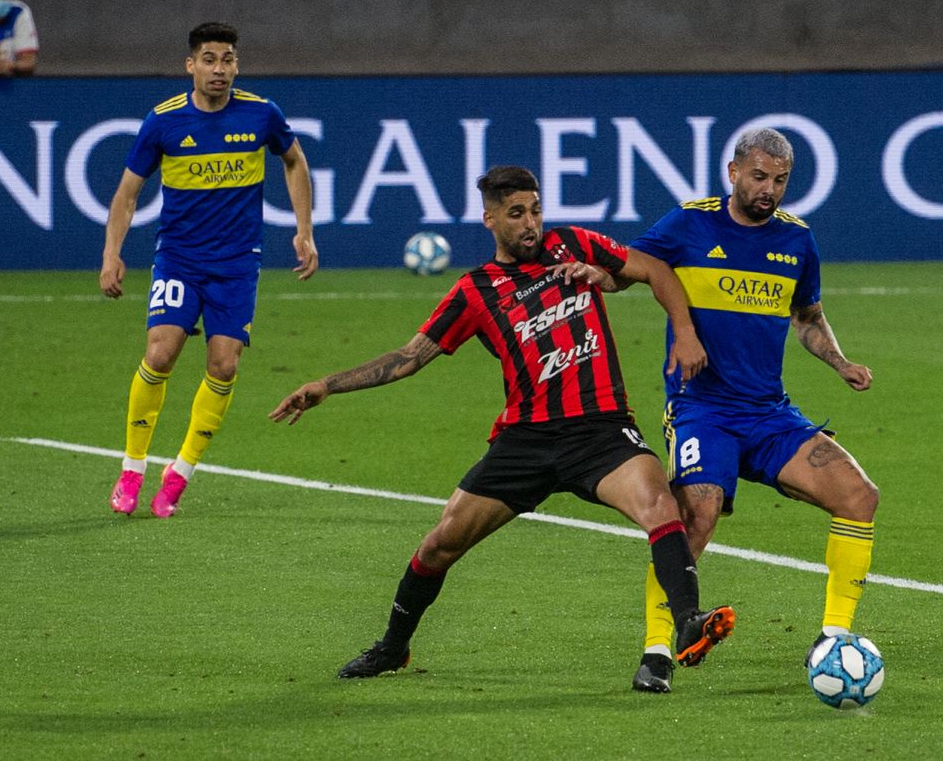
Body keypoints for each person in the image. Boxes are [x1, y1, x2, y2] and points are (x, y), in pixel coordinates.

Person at [269, 165, 735, 682]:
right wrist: (326, 386)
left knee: (660, 506)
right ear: (489, 218)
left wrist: (680, 327)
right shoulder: (475, 292)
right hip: (526, 441)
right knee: (439, 544)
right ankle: (392, 647)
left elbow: (654, 270)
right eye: (517, 214)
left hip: (600, 430)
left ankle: (688, 620)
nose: (531, 223)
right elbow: (409, 357)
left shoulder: (573, 244)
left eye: (536, 210)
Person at [623, 127, 879, 693]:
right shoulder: (690, 223)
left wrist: (838, 362)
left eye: (781, 180)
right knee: (695, 518)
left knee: (859, 496)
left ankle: (834, 637)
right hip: (702, 409)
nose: (769, 190)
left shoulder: (796, 240)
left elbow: (807, 317)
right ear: (734, 171)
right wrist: (597, 275)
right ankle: (659, 649)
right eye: (759, 177)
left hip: (768, 414)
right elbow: (631, 266)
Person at [100, 21, 318, 518]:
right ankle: (132, 468)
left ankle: (179, 473)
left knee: (224, 365)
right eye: (210, 59)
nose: (219, 69)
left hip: (238, 264)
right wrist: (112, 253)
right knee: (160, 353)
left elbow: (295, 161)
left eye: (228, 60)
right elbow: (127, 194)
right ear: (191, 66)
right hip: (179, 259)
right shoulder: (163, 122)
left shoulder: (262, 114)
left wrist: (304, 229)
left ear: (237, 65)